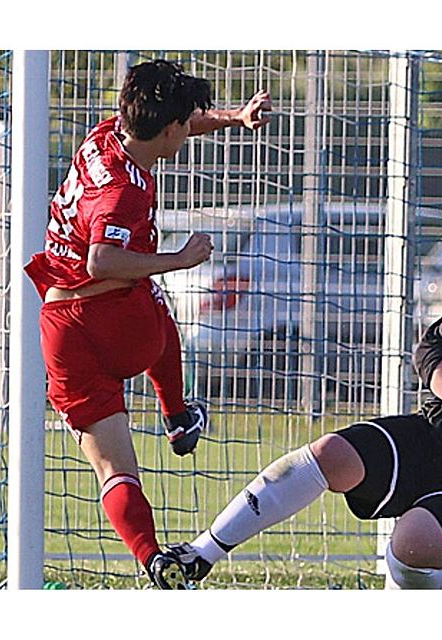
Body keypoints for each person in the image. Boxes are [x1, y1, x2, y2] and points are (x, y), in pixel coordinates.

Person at [163, 223, 442, 588]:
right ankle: (199, 556)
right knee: (330, 453)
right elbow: (430, 351)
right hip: (434, 433)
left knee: (415, 541)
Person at [23, 59, 271, 589]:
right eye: (186, 123)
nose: (189, 128)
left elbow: (182, 120)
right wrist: (179, 259)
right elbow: (103, 260)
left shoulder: (107, 133)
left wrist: (233, 118)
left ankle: (153, 559)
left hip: (61, 329)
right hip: (116, 316)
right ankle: (177, 414)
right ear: (166, 130)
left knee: (113, 470)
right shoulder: (126, 191)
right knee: (154, 297)